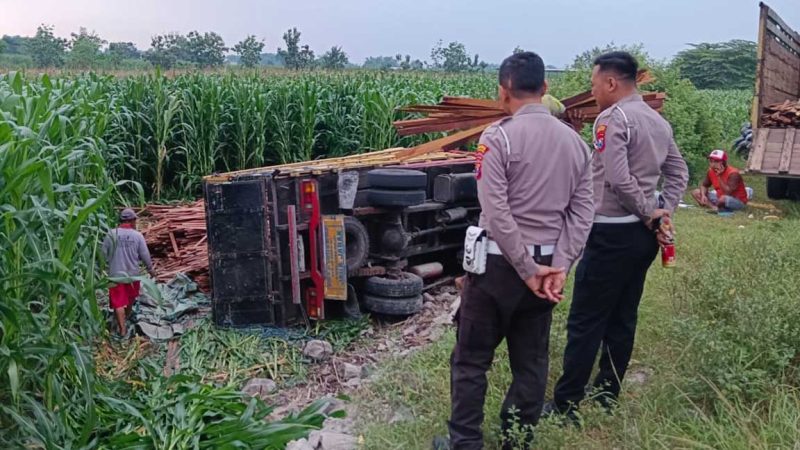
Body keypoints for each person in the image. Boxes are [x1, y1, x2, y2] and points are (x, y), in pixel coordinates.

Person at [436, 51, 595, 450]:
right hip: (546, 270)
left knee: (472, 360)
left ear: (503, 91)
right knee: (531, 362)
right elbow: (582, 212)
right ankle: (516, 440)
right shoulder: (576, 145)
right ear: (544, 89)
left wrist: (525, 268)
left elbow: (496, 211)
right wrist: (559, 266)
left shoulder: (498, 138)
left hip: (497, 268)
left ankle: (465, 443)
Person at [546, 51, 689, 419]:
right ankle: (608, 394)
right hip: (641, 240)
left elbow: (618, 179)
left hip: (610, 234)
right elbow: (679, 172)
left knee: (586, 320)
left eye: (594, 84)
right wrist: (661, 213)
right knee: (623, 315)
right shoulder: (657, 121)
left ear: (611, 83)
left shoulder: (614, 118)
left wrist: (651, 214)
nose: (593, 93)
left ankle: (566, 404)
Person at [102, 208, 155, 337]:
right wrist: (151, 270)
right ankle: (125, 318)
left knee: (118, 302)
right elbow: (145, 255)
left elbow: (102, 253)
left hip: (116, 275)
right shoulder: (137, 236)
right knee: (130, 298)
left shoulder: (111, 234)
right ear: (131, 221)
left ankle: (122, 328)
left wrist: (104, 265)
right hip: (133, 274)